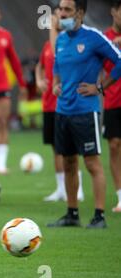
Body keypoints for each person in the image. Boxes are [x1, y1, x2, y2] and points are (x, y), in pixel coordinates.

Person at [47, 0, 121, 229]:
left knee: (92, 163)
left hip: (85, 112)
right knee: (68, 163)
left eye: (67, 9)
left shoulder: (94, 37)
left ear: (79, 12)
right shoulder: (60, 40)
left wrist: (100, 87)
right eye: (60, 9)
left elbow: (119, 61)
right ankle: (72, 214)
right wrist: (56, 85)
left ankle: (99, 216)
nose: (62, 13)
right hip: (63, 111)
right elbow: (57, 67)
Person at [35, 7, 84, 203]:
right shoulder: (47, 45)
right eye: (55, 15)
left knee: (71, 149)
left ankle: (76, 189)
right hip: (48, 103)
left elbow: (60, 58)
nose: (57, 18)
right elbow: (40, 65)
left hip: (66, 103)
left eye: (61, 14)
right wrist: (39, 80)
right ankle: (60, 189)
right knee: (55, 148)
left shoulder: (70, 41)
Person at [0, 3, 28, 175]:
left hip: (1, 85)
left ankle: (1, 164)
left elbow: (14, 61)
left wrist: (22, 84)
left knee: (1, 122)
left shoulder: (5, 35)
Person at [103, 0, 121, 212]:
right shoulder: (103, 39)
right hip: (113, 100)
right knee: (114, 146)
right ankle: (120, 196)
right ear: (113, 12)